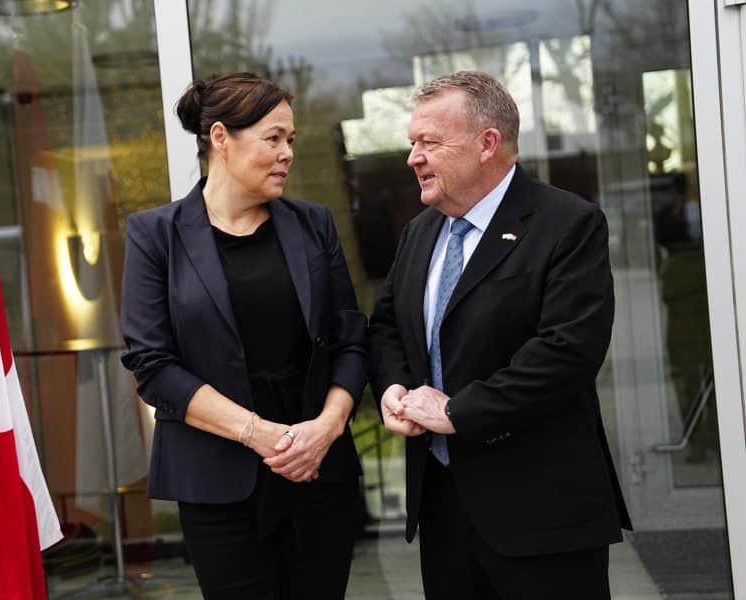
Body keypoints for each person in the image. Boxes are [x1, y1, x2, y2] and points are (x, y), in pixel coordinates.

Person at [369, 71, 632, 599]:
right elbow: (386, 327)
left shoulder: (568, 224)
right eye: (411, 143)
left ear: (487, 143)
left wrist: (454, 413)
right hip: (444, 513)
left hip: (543, 514)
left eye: (429, 142)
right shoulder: (420, 232)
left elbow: (566, 352)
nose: (413, 158)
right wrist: (394, 390)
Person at [120, 72, 367, 599]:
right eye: (273, 138)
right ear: (220, 139)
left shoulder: (313, 224)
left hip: (318, 471)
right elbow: (153, 367)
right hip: (218, 484)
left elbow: (350, 338)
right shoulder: (154, 236)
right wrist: (261, 435)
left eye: (291, 141)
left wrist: (326, 428)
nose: (287, 154)